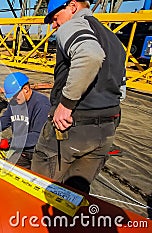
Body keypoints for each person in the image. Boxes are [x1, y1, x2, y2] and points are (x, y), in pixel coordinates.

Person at [31, 0, 126, 193]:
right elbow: (120, 89)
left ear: (72, 7)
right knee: (76, 192)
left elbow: (90, 55)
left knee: (40, 187)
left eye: (55, 18)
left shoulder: (72, 25)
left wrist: (65, 104)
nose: (54, 25)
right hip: (106, 129)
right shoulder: (113, 39)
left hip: (72, 128)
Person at [0, 72, 50, 169]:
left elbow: (37, 136)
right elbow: (4, 121)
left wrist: (10, 142)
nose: (14, 98)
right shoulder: (15, 103)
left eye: (15, 95)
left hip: (36, 152)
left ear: (26, 89)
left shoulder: (41, 104)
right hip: (20, 148)